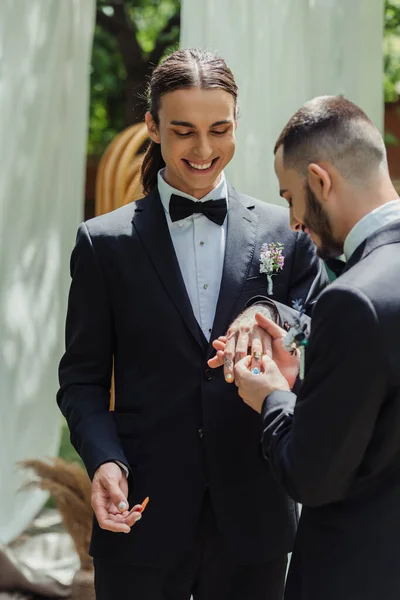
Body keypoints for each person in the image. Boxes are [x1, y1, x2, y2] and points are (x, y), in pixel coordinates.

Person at [57, 49, 327, 600]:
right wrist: (104, 460)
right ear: (152, 127)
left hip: (255, 518)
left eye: (219, 129)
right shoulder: (103, 243)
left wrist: (271, 313)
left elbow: (318, 326)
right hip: (142, 516)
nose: (204, 150)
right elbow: (81, 380)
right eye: (183, 131)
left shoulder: (286, 229)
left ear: (236, 124)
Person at [231, 95, 400, 600]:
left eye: (290, 197)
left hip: (358, 574)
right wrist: (307, 368)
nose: (294, 223)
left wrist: (273, 396)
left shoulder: (351, 298)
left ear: (321, 181)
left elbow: (313, 476)